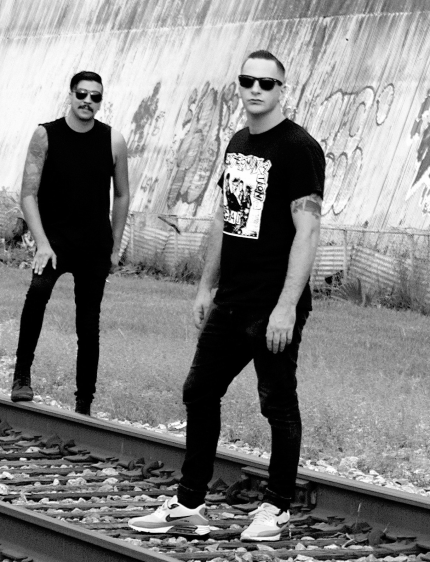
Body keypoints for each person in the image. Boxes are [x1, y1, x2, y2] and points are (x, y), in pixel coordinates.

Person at [129, 50, 325, 541]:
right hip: (231, 298)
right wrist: (205, 286)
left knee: (277, 404)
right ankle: (188, 503)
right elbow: (225, 218)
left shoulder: (299, 148)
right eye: (247, 80)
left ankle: (276, 508)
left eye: (267, 83)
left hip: (271, 303)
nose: (256, 89)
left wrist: (286, 306)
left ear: (282, 89)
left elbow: (307, 232)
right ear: (239, 86)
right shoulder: (238, 143)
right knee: (199, 390)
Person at [10, 71, 130, 416]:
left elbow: (122, 195)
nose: (88, 101)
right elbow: (28, 194)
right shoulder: (45, 135)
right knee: (37, 295)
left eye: (95, 96)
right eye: (82, 94)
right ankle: (21, 376)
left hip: (95, 246)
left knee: (88, 324)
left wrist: (115, 246)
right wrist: (42, 243)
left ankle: (84, 404)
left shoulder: (113, 140)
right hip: (54, 243)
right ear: (71, 95)